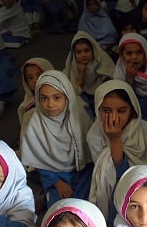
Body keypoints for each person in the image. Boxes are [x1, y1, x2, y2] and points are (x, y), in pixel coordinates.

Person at [87, 80, 147, 223]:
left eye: (122, 111)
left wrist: (115, 139)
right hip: (112, 196)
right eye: (107, 111)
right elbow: (112, 175)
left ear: (133, 109)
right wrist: (114, 139)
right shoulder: (95, 135)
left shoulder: (143, 130)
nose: (114, 117)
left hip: (144, 193)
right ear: (98, 110)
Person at [20, 71, 94, 207]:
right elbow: (38, 160)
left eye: (56, 98)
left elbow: (89, 155)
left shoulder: (81, 118)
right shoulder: (35, 124)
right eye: (44, 98)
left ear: (67, 97)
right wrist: (58, 183)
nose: (50, 105)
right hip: (53, 175)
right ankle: (46, 195)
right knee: (59, 209)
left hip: (81, 171)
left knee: (85, 205)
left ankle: (43, 196)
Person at [63, 31, 115, 117]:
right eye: (79, 52)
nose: (83, 55)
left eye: (86, 50)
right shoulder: (72, 69)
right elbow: (73, 94)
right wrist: (81, 75)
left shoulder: (103, 63)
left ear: (93, 50)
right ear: (74, 54)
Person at [17, 57, 54, 135]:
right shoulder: (27, 109)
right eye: (30, 78)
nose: (35, 80)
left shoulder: (65, 99)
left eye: (39, 75)